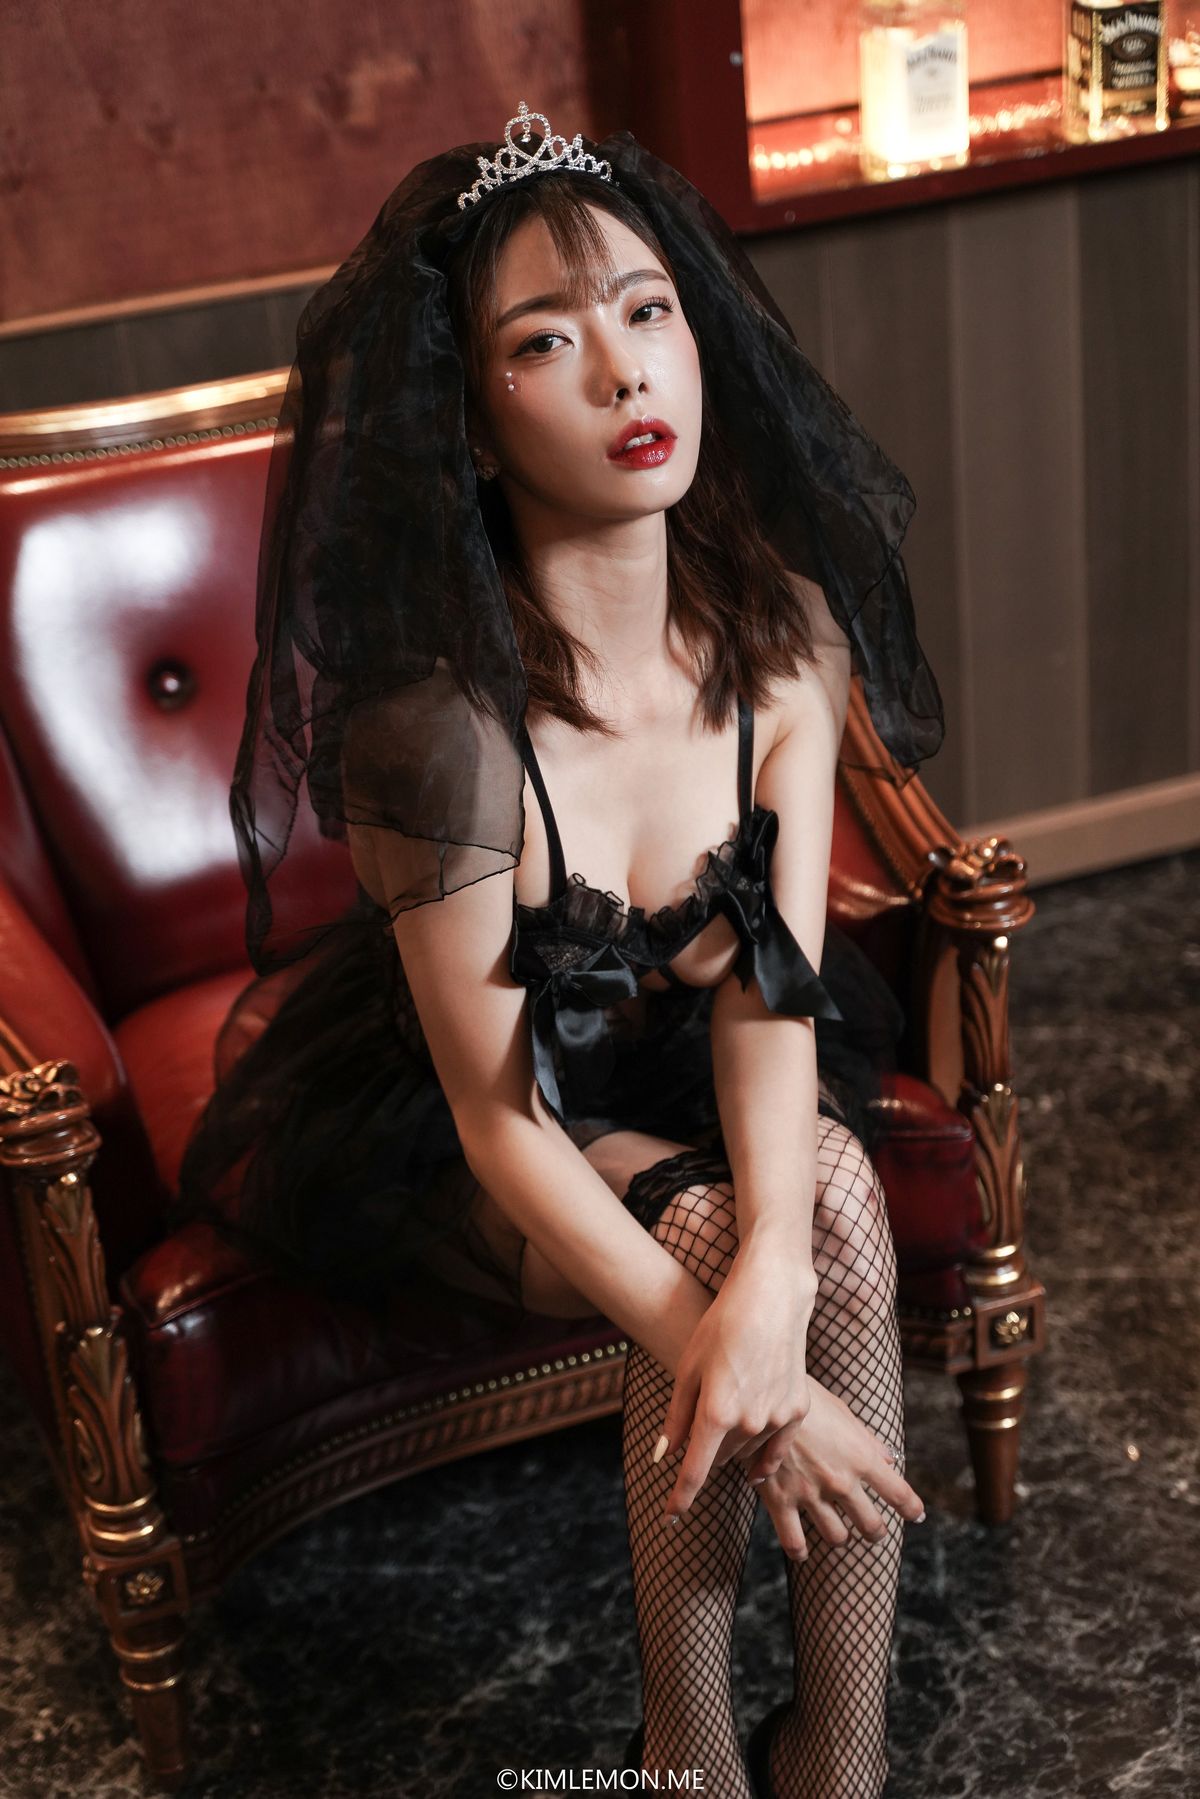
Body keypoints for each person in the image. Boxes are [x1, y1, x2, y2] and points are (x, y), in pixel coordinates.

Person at [173, 100, 945, 1798]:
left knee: (817, 1201)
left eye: (648, 310)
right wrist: (760, 1377)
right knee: (722, 1223)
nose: (623, 370)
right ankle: (689, 1755)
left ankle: (841, 1757)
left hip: (691, 1071)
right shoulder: (441, 731)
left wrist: (777, 1287)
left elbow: (770, 995)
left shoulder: (783, 644)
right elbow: (501, 1121)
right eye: (545, 339)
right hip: (477, 1134)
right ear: (471, 419)